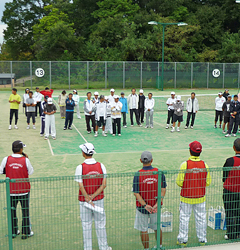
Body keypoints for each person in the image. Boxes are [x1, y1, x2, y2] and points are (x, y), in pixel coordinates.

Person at [75, 143, 112, 250]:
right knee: (100, 224)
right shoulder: (101, 166)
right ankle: (103, 247)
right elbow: (104, 184)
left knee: (86, 225)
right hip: (99, 200)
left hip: (84, 201)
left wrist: (88, 198)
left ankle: (88, 248)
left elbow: (81, 185)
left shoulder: (80, 167)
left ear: (83, 153)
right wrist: (93, 196)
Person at [176, 141, 211, 247]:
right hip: (200, 197)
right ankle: (202, 240)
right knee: (201, 218)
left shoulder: (184, 165)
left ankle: (182, 240)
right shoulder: (205, 165)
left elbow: (179, 182)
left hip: (186, 197)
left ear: (190, 151)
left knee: (184, 218)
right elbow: (208, 182)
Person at [0, 140, 34, 239]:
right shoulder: (25, 160)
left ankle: (14, 231)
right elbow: (31, 172)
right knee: (25, 211)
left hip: (11, 191)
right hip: (24, 190)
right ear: (21, 150)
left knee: (12, 211)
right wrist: (26, 159)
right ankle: (26, 232)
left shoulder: (6, 159)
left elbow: (1, 171)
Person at [133, 151, 166, 250]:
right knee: (157, 228)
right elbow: (163, 189)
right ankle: (159, 247)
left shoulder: (138, 174)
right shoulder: (159, 172)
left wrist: (145, 205)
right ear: (152, 160)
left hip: (142, 208)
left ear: (140, 160)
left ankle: (146, 249)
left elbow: (136, 193)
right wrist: (158, 203)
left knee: (143, 230)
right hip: (156, 207)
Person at [222, 138, 240, 240]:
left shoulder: (229, 161)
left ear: (234, 148)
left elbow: (224, 176)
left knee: (230, 211)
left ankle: (231, 234)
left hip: (230, 191)